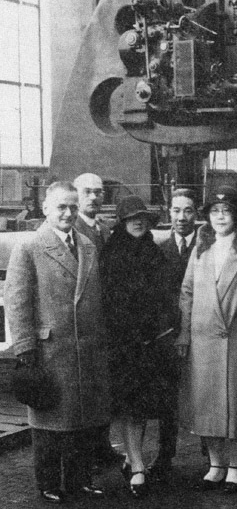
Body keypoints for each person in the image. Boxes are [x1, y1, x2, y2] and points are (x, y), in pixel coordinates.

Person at [6, 181, 109, 504]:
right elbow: (17, 300)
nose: (68, 213)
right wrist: (25, 348)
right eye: (61, 207)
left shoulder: (87, 245)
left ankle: (80, 480)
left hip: (85, 349)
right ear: (46, 209)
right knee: (49, 421)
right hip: (50, 350)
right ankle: (48, 483)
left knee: (82, 420)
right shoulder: (30, 247)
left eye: (73, 207)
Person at [176, 185, 237, 494]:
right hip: (203, 342)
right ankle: (215, 465)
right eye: (215, 212)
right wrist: (183, 333)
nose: (220, 217)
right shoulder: (201, 249)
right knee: (206, 406)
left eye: (226, 211)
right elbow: (187, 292)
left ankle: (235, 467)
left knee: (235, 408)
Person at [100, 195, 172, 499]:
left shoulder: (153, 251)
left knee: (143, 407)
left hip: (151, 343)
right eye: (132, 218)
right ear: (122, 222)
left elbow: (166, 293)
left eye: (142, 217)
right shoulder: (111, 254)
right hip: (123, 343)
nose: (138, 222)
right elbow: (108, 301)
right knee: (131, 407)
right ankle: (139, 467)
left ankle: (133, 458)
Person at [149, 188, 198, 482]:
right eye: (177, 211)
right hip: (169, 335)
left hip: (203, 334)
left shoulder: (208, 247)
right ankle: (165, 455)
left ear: (197, 214)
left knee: (205, 393)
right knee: (168, 399)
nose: (182, 217)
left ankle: (212, 458)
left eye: (188, 211)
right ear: (170, 213)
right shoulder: (160, 250)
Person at [72, 173, 121, 469]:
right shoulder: (71, 229)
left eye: (98, 192)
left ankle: (102, 446)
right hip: (84, 323)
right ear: (76, 195)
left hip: (105, 320)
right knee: (84, 387)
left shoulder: (105, 229)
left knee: (103, 387)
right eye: (87, 192)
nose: (93, 197)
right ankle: (86, 453)